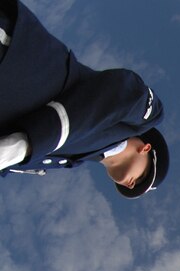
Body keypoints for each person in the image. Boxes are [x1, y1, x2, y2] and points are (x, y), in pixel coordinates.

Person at [0, 0, 169, 198]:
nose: (132, 184)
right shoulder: (146, 116)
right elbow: (120, 91)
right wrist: (25, 146)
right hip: (14, 55)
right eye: (142, 178)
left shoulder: (66, 161)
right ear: (146, 148)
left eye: (133, 187)